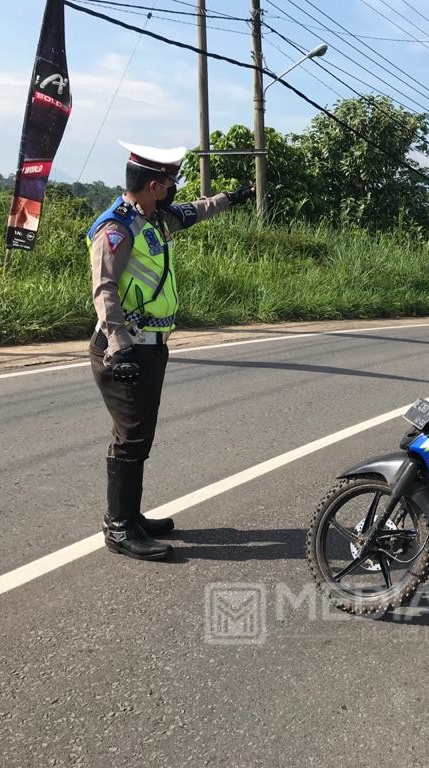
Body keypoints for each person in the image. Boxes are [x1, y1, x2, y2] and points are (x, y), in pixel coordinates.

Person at [88, 140, 254, 561]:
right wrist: (119, 346)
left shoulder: (155, 219)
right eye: (170, 181)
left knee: (139, 436)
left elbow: (197, 211)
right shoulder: (117, 228)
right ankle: (120, 528)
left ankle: (130, 515)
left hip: (151, 347)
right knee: (130, 438)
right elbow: (104, 289)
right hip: (124, 350)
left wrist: (231, 198)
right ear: (154, 185)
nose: (175, 188)